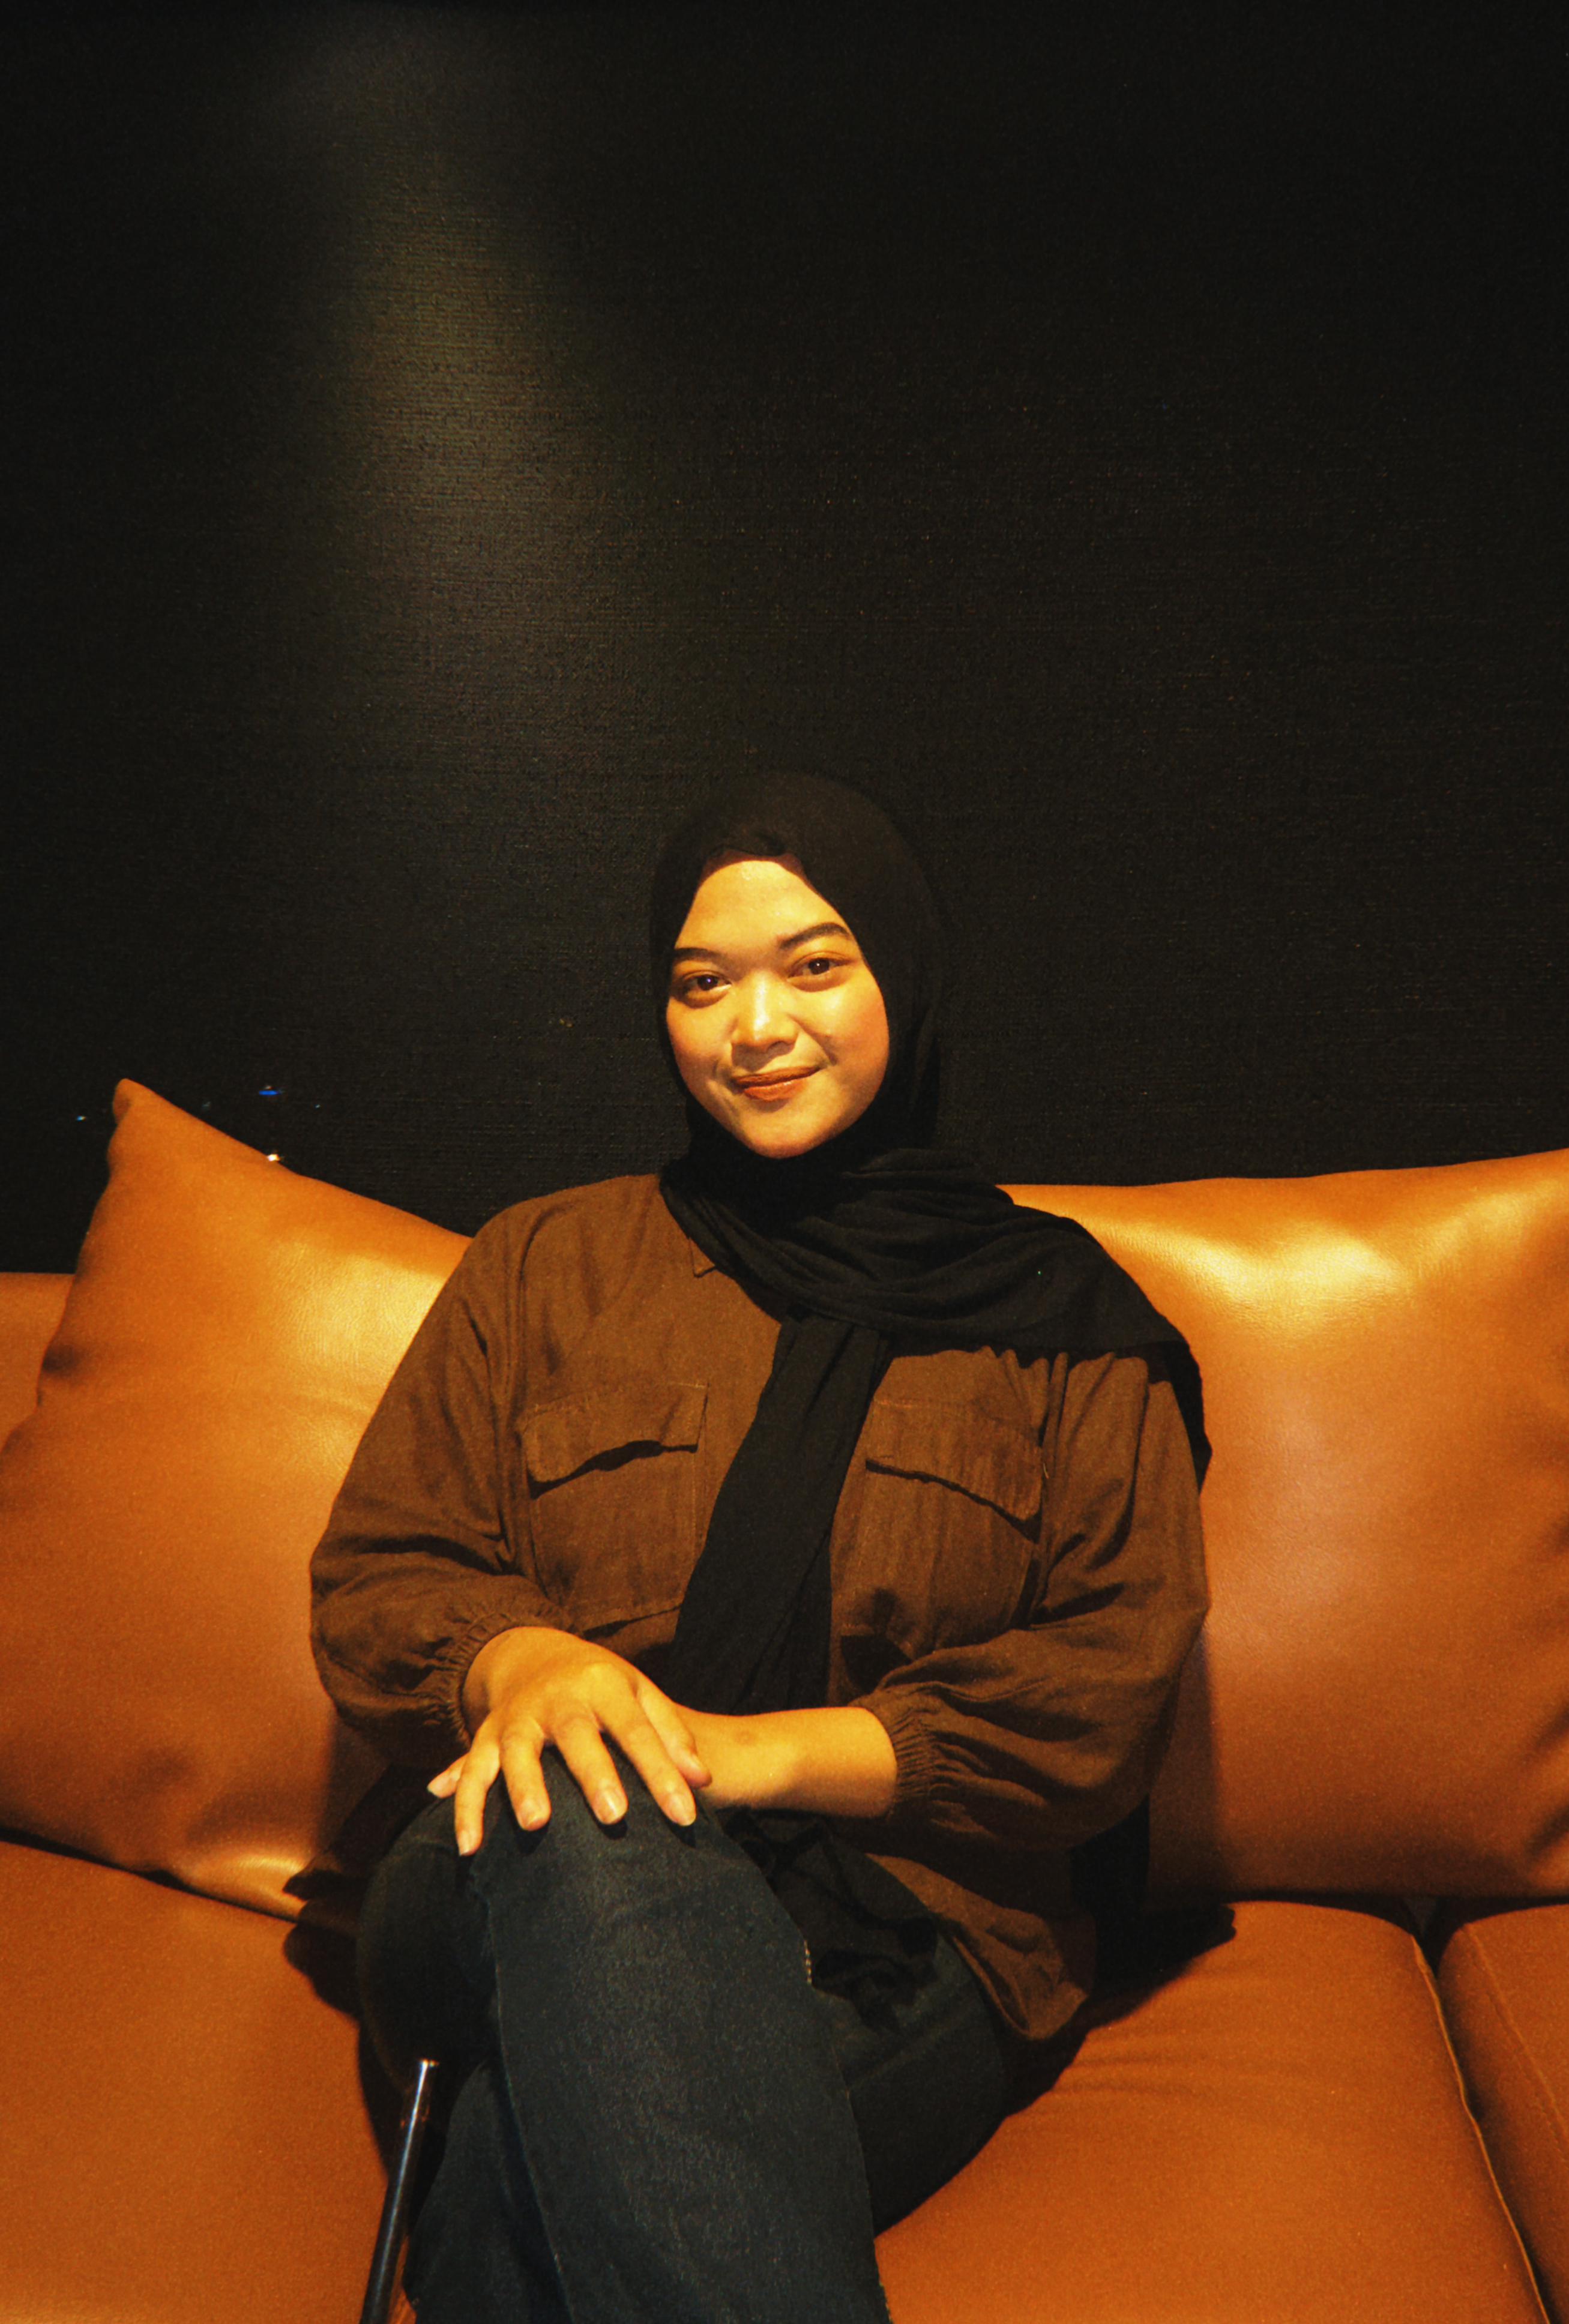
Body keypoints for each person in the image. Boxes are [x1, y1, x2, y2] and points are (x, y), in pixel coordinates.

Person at [310, 771, 1208, 2324]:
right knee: (593, 1790)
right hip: (493, 1877)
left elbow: (1104, 1690)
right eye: (701, 984)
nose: (756, 1027)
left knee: (519, 2167)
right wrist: (530, 1666)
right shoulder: (544, 1264)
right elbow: (382, 1571)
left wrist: (740, 1757)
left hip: (909, 1929)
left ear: (904, 976)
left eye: (815, 966)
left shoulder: (1064, 1325)